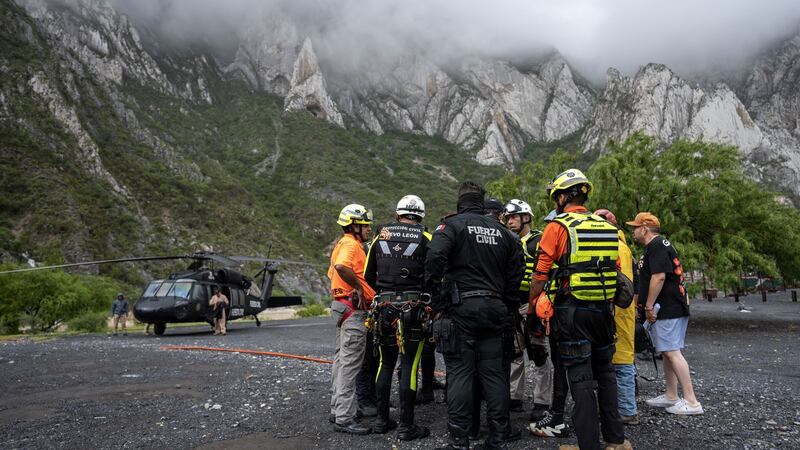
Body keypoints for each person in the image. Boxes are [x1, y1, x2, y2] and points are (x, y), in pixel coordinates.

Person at [526, 169, 631, 450]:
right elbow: (616, 273)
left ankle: (589, 445)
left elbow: (540, 275)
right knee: (606, 374)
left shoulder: (558, 227)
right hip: (603, 313)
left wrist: (532, 307)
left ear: (562, 197)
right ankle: (616, 440)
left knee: (580, 378)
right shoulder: (608, 228)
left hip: (572, 311)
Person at [426, 181, 524, 450]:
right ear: (482, 203)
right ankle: (499, 435)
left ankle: (460, 439)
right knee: (494, 374)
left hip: (462, 309)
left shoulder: (452, 226)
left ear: (460, 201)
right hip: (495, 310)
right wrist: (507, 302)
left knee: (460, 373)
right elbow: (518, 269)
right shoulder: (505, 233)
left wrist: (439, 299)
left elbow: (434, 257)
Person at [363, 194, 432, 441]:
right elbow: (434, 275)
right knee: (410, 366)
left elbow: (368, 275)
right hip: (414, 309)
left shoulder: (380, 237)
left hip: (384, 308)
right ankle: (406, 426)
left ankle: (382, 420)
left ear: (397, 214)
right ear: (421, 216)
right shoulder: (426, 238)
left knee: (385, 363)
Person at [627, 212, 703, 416]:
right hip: (670, 307)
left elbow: (659, 277)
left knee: (671, 351)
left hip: (667, 308)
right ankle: (671, 395)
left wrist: (649, 305)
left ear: (645, 228)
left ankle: (691, 401)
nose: (633, 231)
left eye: (635, 227)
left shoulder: (657, 245)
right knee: (667, 351)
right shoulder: (656, 246)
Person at [328, 203, 376, 435]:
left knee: (340, 361)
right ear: (354, 225)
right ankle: (345, 418)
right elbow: (341, 267)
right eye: (365, 225)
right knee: (349, 365)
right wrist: (358, 286)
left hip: (341, 307)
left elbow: (333, 272)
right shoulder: (351, 244)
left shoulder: (342, 244)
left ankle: (338, 410)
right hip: (352, 309)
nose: (368, 229)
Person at [503, 199, 552, 419]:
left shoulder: (539, 241)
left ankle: (542, 401)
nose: (510, 221)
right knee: (514, 353)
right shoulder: (506, 240)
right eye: (507, 218)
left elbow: (549, 273)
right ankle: (514, 396)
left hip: (533, 304)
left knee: (539, 353)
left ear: (526, 217)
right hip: (512, 304)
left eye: (514, 217)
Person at [529, 207, 572, 440]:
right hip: (594, 309)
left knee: (561, 363)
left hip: (562, 309)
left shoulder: (557, 234)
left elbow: (540, 275)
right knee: (590, 368)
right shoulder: (592, 233)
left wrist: (533, 307)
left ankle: (557, 416)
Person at [595, 208, 639, 425]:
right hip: (624, 310)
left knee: (621, 360)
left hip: (619, 310)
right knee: (623, 357)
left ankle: (628, 410)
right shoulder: (625, 246)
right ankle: (624, 406)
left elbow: (620, 282)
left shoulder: (616, 246)